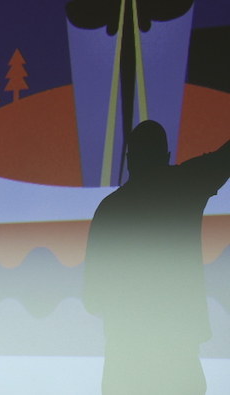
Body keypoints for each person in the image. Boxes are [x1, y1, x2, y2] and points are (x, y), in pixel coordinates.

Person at [83, 120, 230, 394]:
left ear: (128, 160)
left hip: (124, 366)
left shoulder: (108, 211)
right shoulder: (186, 186)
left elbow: (92, 299)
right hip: (179, 360)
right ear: (166, 157)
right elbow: (223, 159)